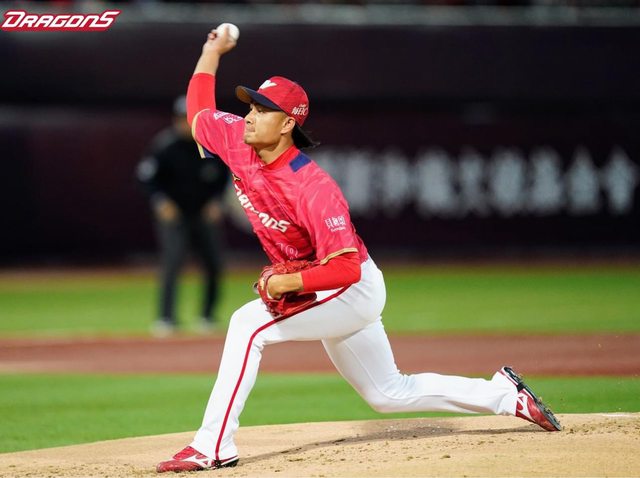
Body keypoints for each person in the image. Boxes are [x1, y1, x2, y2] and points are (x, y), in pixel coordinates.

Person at [156, 27, 561, 473]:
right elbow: (199, 112)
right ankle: (504, 395)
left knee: (247, 325)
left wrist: (287, 282)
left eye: (263, 110)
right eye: (251, 106)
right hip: (325, 287)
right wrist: (211, 51)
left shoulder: (312, 186)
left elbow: (346, 267)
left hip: (349, 287)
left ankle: (213, 446)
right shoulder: (238, 140)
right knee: (388, 393)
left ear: (288, 124)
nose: (250, 116)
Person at [136, 96, 230, 335]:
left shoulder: (210, 146)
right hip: (175, 216)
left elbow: (225, 177)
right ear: (175, 120)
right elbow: (146, 178)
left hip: (204, 214)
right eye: (182, 119)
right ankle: (166, 318)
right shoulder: (164, 146)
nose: (185, 124)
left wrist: (217, 202)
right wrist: (160, 202)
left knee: (213, 263)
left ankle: (207, 316)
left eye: (190, 119)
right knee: (172, 263)